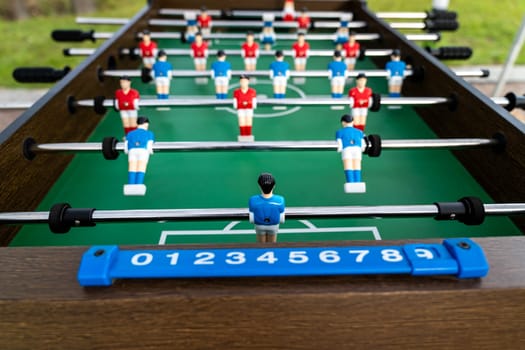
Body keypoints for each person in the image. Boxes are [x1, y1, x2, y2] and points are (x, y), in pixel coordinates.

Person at [249, 173, 285, 243]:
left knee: (261, 245)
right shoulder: (280, 200)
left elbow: (251, 219)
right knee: (272, 245)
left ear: (259, 186)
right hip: (274, 226)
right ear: (274, 186)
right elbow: (282, 219)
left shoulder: (253, 200)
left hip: (259, 226)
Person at [124, 116, 155, 196]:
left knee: (132, 168)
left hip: (132, 151)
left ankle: (130, 186)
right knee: (141, 168)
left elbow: (126, 144)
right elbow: (149, 145)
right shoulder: (149, 133)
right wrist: (150, 151)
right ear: (145, 123)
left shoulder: (130, 133)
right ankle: (138, 186)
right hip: (143, 151)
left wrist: (127, 151)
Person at [335, 114, 366, 193]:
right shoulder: (359, 131)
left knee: (348, 166)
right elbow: (363, 142)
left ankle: (350, 183)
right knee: (357, 166)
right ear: (353, 122)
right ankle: (358, 182)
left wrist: (339, 149)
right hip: (357, 149)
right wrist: (362, 148)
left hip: (347, 149)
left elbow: (339, 143)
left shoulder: (339, 132)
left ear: (343, 122)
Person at [233, 74, 257, 142]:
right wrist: (240, 104)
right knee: (242, 121)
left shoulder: (252, 91)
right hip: (240, 109)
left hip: (249, 109)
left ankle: (248, 135)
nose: (243, 83)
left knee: (249, 121)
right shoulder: (236, 92)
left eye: (245, 81)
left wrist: (249, 104)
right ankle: (243, 135)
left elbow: (254, 101)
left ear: (248, 82)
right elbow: (235, 101)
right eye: (242, 81)